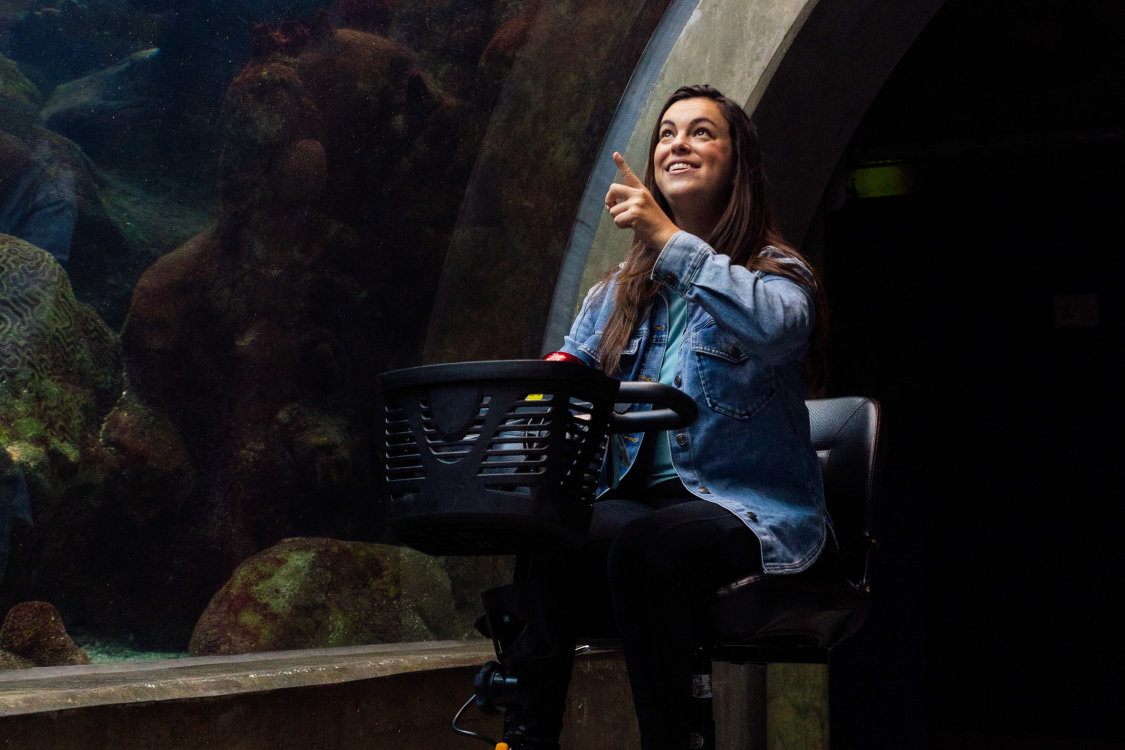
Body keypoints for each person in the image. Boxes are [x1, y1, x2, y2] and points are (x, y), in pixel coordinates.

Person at [496, 84, 832, 750]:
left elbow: (776, 332)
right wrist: (550, 381)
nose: (677, 143)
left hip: (744, 509)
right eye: (666, 132)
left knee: (649, 547)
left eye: (701, 132)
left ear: (737, 164)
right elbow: (566, 374)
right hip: (641, 504)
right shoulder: (616, 293)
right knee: (554, 531)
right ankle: (525, 736)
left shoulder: (776, 275)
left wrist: (668, 238)